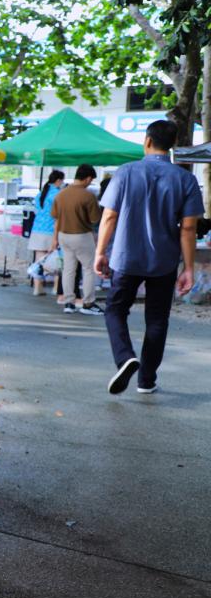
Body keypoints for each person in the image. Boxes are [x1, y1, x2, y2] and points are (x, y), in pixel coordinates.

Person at [96, 120, 203, 395]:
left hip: (126, 257)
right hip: (164, 261)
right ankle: (146, 380)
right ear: (173, 144)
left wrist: (100, 252)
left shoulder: (125, 172)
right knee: (157, 319)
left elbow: (109, 216)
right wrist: (188, 268)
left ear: (147, 141)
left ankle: (125, 357)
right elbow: (188, 228)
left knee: (115, 310)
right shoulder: (186, 179)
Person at [50, 163, 102, 315]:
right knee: (88, 269)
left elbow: (55, 217)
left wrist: (55, 239)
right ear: (88, 178)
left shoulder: (60, 194)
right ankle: (88, 303)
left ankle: (69, 302)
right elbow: (95, 219)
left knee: (68, 269)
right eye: (91, 180)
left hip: (63, 236)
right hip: (82, 235)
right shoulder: (88, 196)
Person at [29, 170, 65, 297]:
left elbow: (37, 210)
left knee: (39, 261)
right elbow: (60, 214)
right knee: (58, 259)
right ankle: (56, 287)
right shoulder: (59, 194)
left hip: (37, 229)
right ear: (58, 180)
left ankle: (37, 288)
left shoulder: (41, 194)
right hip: (52, 230)